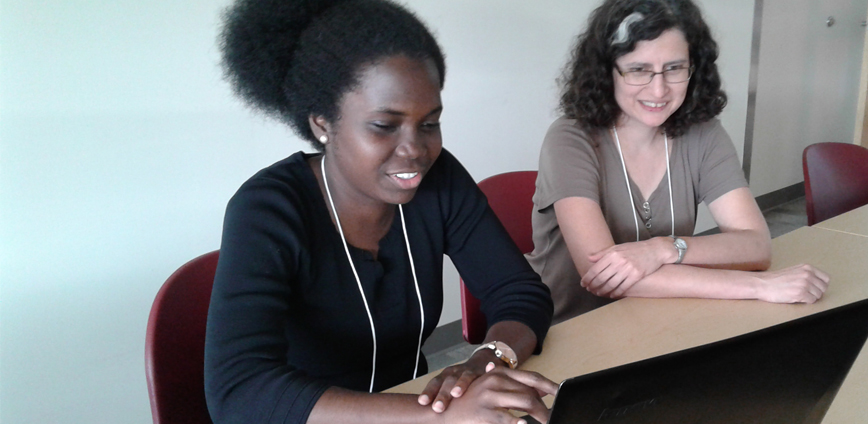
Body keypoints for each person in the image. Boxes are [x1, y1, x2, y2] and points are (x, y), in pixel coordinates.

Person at [204, 0, 557, 423]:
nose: (415, 150)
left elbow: (520, 293)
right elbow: (241, 390)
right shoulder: (267, 210)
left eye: (429, 123)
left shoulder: (438, 179)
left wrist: (487, 361)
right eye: (384, 126)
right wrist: (439, 418)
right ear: (322, 123)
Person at [527, 0, 830, 324]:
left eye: (674, 68)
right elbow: (603, 274)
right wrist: (759, 286)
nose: (659, 89)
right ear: (606, 71)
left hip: (662, 318)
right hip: (567, 332)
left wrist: (665, 248)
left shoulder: (703, 133)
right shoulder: (570, 138)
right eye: (638, 69)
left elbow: (756, 245)